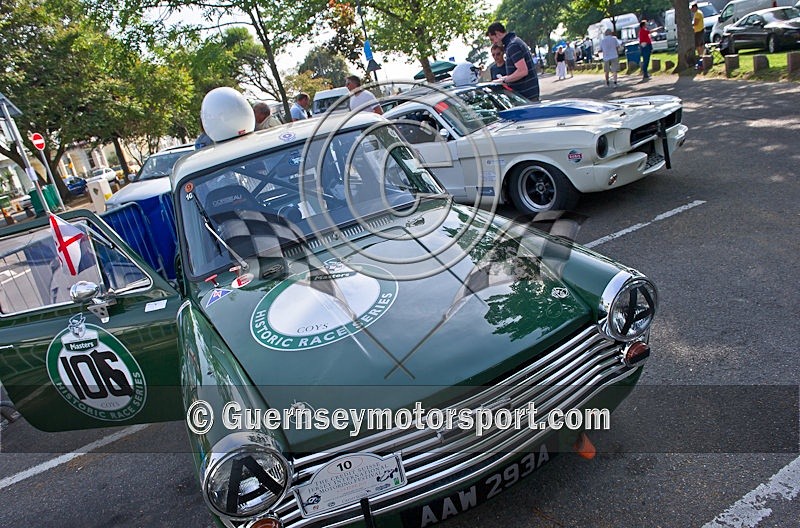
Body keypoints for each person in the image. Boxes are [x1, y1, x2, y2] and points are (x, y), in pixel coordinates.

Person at [486, 22, 540, 102]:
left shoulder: (512, 46)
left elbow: (522, 71)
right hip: (528, 96)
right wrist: (503, 78)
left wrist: (504, 80)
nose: (493, 43)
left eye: (492, 39)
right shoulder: (515, 41)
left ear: (497, 33)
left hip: (527, 98)